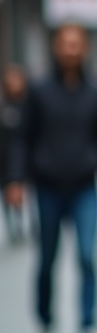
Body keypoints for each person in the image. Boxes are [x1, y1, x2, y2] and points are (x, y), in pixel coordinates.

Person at [6, 24, 97, 333]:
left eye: (76, 44)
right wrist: (14, 179)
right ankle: (44, 325)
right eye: (65, 43)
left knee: (87, 257)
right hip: (47, 188)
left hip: (86, 187)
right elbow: (22, 139)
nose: (71, 49)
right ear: (55, 47)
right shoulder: (38, 91)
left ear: (84, 48)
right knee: (46, 259)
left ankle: (89, 328)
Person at [0, 64, 29, 245]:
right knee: (7, 193)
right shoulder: (4, 106)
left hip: (24, 160)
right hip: (4, 160)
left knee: (25, 195)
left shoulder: (28, 105)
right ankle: (12, 225)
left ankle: (22, 224)